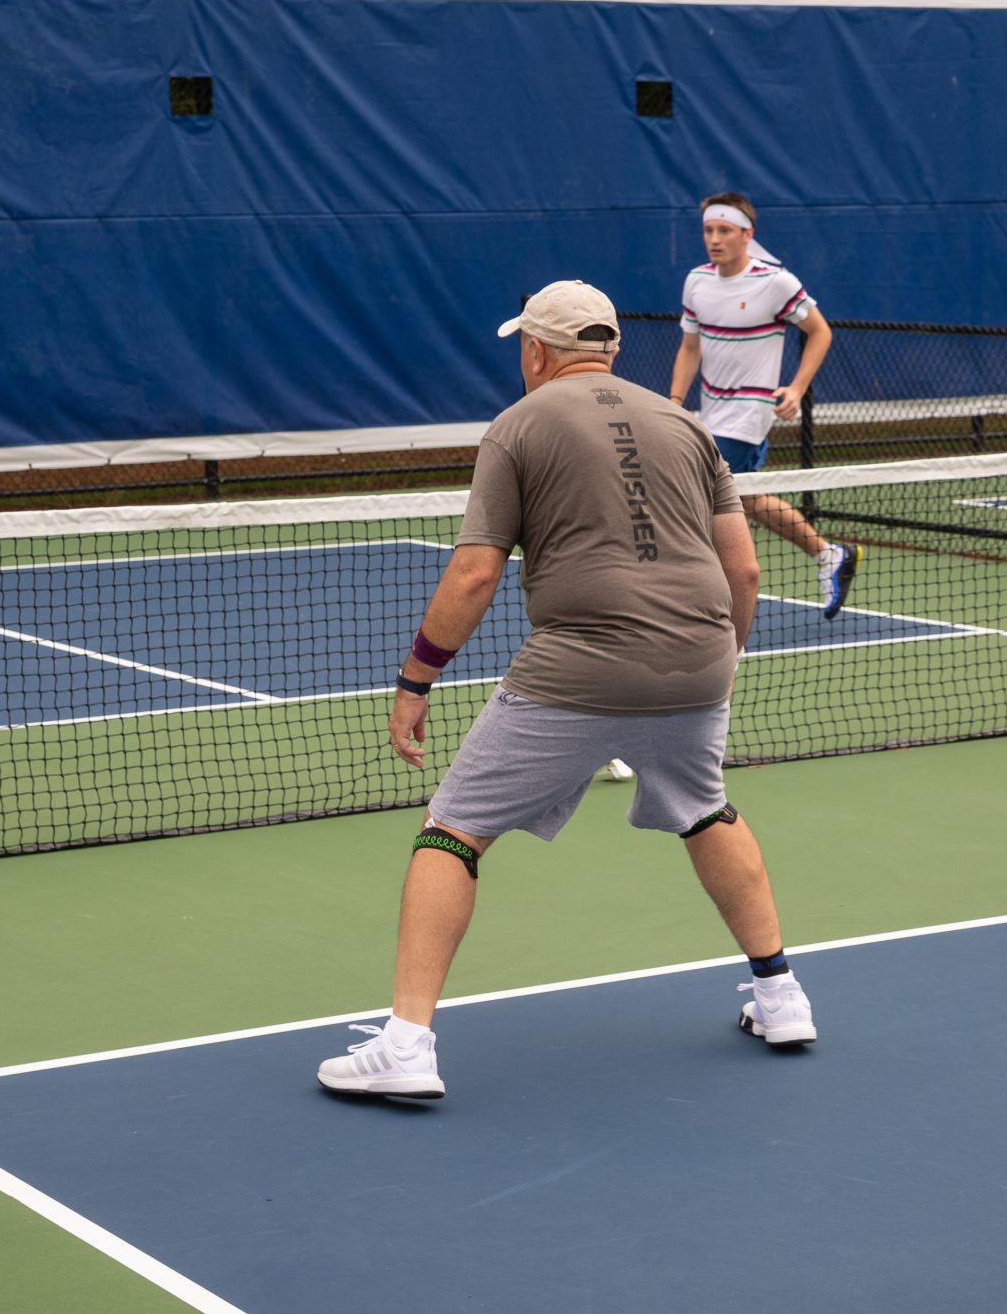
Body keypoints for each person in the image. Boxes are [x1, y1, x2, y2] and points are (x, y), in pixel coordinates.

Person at [317, 280, 813, 1099]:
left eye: (523, 346)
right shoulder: (688, 424)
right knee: (706, 806)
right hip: (699, 658)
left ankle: (405, 1044)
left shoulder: (518, 424)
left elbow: (476, 571)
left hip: (578, 663)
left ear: (538, 352)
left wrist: (416, 678)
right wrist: (717, 668)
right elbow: (745, 566)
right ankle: (781, 994)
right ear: (612, 350)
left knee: (453, 828)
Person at [668, 192, 860, 619]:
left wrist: (795, 388)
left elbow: (820, 331)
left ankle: (713, 597)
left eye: (724, 231)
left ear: (746, 235)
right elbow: (689, 347)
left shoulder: (776, 282)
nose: (714, 239)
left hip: (749, 413)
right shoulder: (697, 281)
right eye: (708, 231)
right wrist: (676, 402)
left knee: (705, 496)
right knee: (747, 498)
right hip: (710, 410)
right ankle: (829, 554)